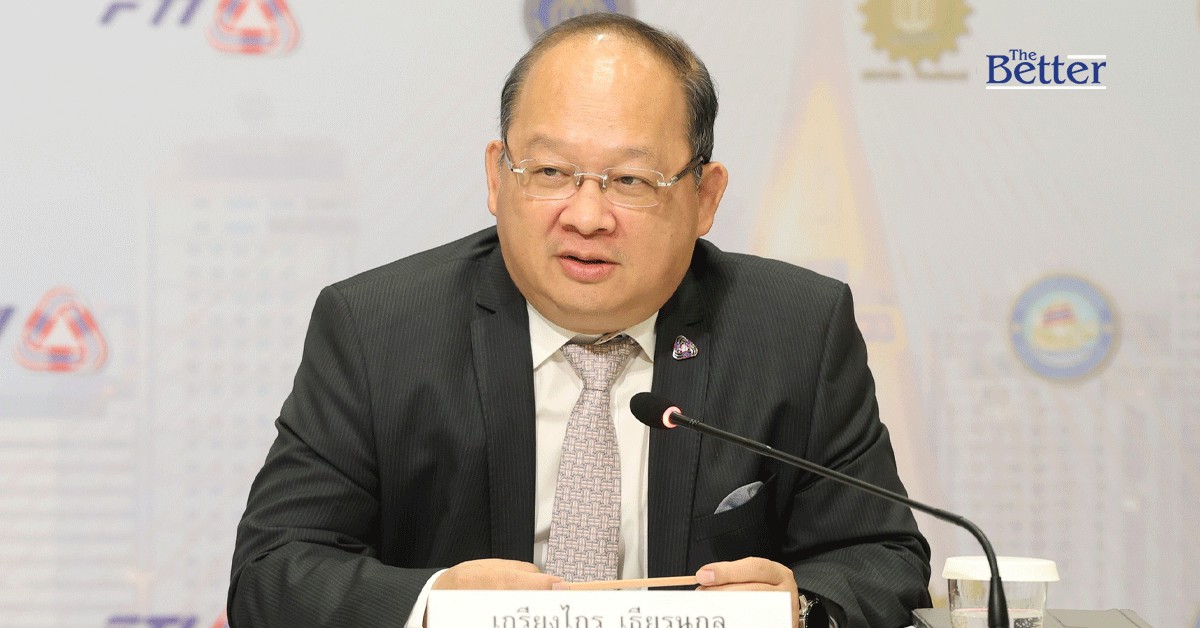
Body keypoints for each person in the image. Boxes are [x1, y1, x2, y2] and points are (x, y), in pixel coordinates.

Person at [228, 12, 930, 628]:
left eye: (630, 181)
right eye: (550, 173)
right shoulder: (378, 329)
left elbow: (880, 556)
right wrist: (436, 605)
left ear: (705, 197)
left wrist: (801, 610)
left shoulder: (794, 330)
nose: (587, 217)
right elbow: (272, 571)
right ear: (497, 177)